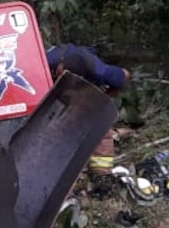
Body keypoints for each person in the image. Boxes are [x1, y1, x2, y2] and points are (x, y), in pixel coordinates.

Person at [47, 44, 130, 191]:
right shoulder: (47, 59)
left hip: (85, 89)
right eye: (60, 74)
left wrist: (103, 99)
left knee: (101, 127)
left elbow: (125, 75)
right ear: (59, 65)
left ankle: (102, 176)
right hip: (48, 89)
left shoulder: (99, 71)